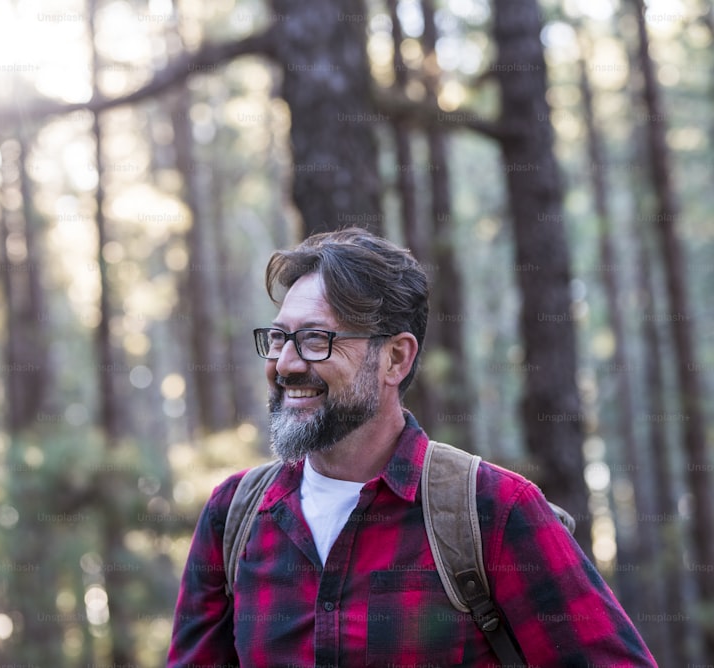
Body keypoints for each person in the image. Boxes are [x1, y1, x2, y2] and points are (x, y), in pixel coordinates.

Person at [167, 228, 656, 667]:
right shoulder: (232, 515)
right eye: (278, 338)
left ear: (395, 358)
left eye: (315, 339)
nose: (287, 363)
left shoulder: (495, 510)